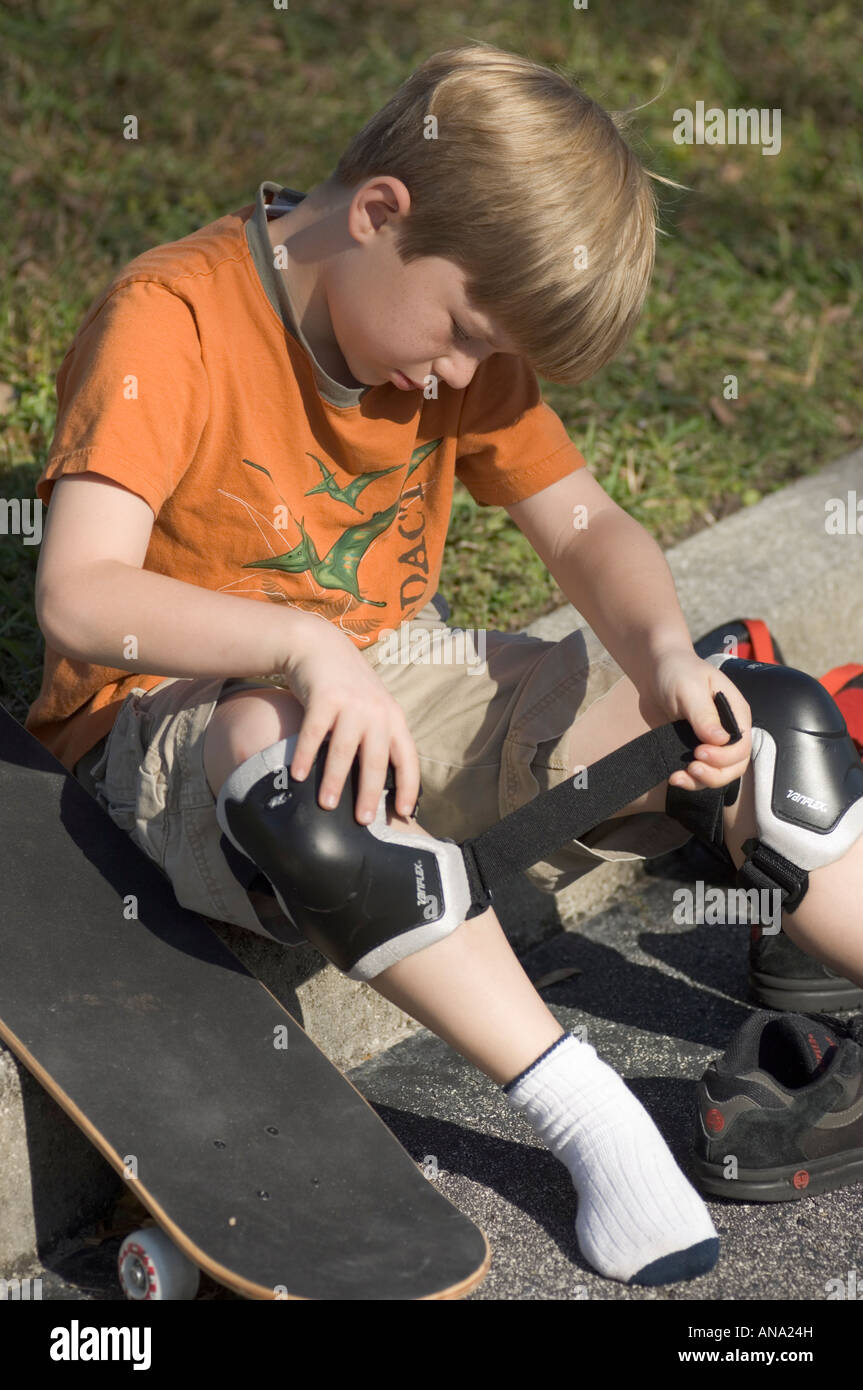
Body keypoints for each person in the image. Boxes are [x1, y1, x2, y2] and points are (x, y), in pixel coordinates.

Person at [26, 41, 863, 1290]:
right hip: (176, 723)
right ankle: (588, 1117)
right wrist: (299, 646)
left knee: (760, 713)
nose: (462, 379)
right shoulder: (173, 318)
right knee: (293, 761)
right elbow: (81, 593)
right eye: (462, 336)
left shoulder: (455, 327)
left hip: (386, 680)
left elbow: (584, 527)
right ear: (377, 214)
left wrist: (661, 657)